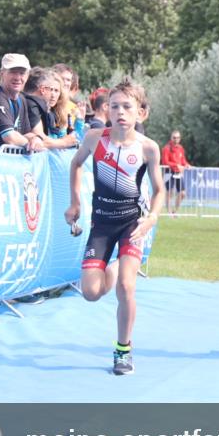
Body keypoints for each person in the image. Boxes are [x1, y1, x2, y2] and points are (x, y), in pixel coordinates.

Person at [65, 79, 165, 376]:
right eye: (115, 106)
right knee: (91, 292)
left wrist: (151, 219)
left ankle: (123, 350)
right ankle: (114, 266)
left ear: (141, 113)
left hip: (132, 224)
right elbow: (75, 164)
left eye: (127, 107)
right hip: (101, 224)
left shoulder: (149, 148)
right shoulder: (95, 138)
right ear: (106, 110)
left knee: (126, 286)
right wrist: (75, 203)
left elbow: (159, 190)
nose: (120, 112)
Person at [23, 67, 78, 149]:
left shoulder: (53, 110)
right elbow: (40, 138)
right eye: (51, 89)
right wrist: (64, 143)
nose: (53, 94)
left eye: (56, 91)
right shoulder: (31, 104)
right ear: (42, 90)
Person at [160, 129, 189, 215]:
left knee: (183, 193)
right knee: (169, 192)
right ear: (171, 138)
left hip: (178, 173)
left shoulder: (180, 148)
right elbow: (165, 162)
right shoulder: (166, 148)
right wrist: (176, 165)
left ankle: (175, 211)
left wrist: (187, 165)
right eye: (174, 138)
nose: (176, 139)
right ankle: (169, 212)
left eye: (178, 138)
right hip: (168, 172)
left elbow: (183, 160)